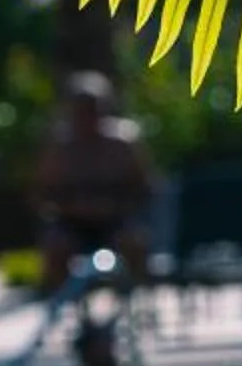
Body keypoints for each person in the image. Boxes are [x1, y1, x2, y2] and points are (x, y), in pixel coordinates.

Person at [32, 71, 154, 297]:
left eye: (94, 108)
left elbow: (144, 188)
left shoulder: (123, 143)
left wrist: (115, 205)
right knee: (55, 245)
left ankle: (133, 299)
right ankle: (65, 302)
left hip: (116, 220)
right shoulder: (59, 146)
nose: (89, 116)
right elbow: (43, 194)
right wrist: (71, 207)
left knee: (134, 241)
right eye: (82, 110)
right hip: (73, 223)